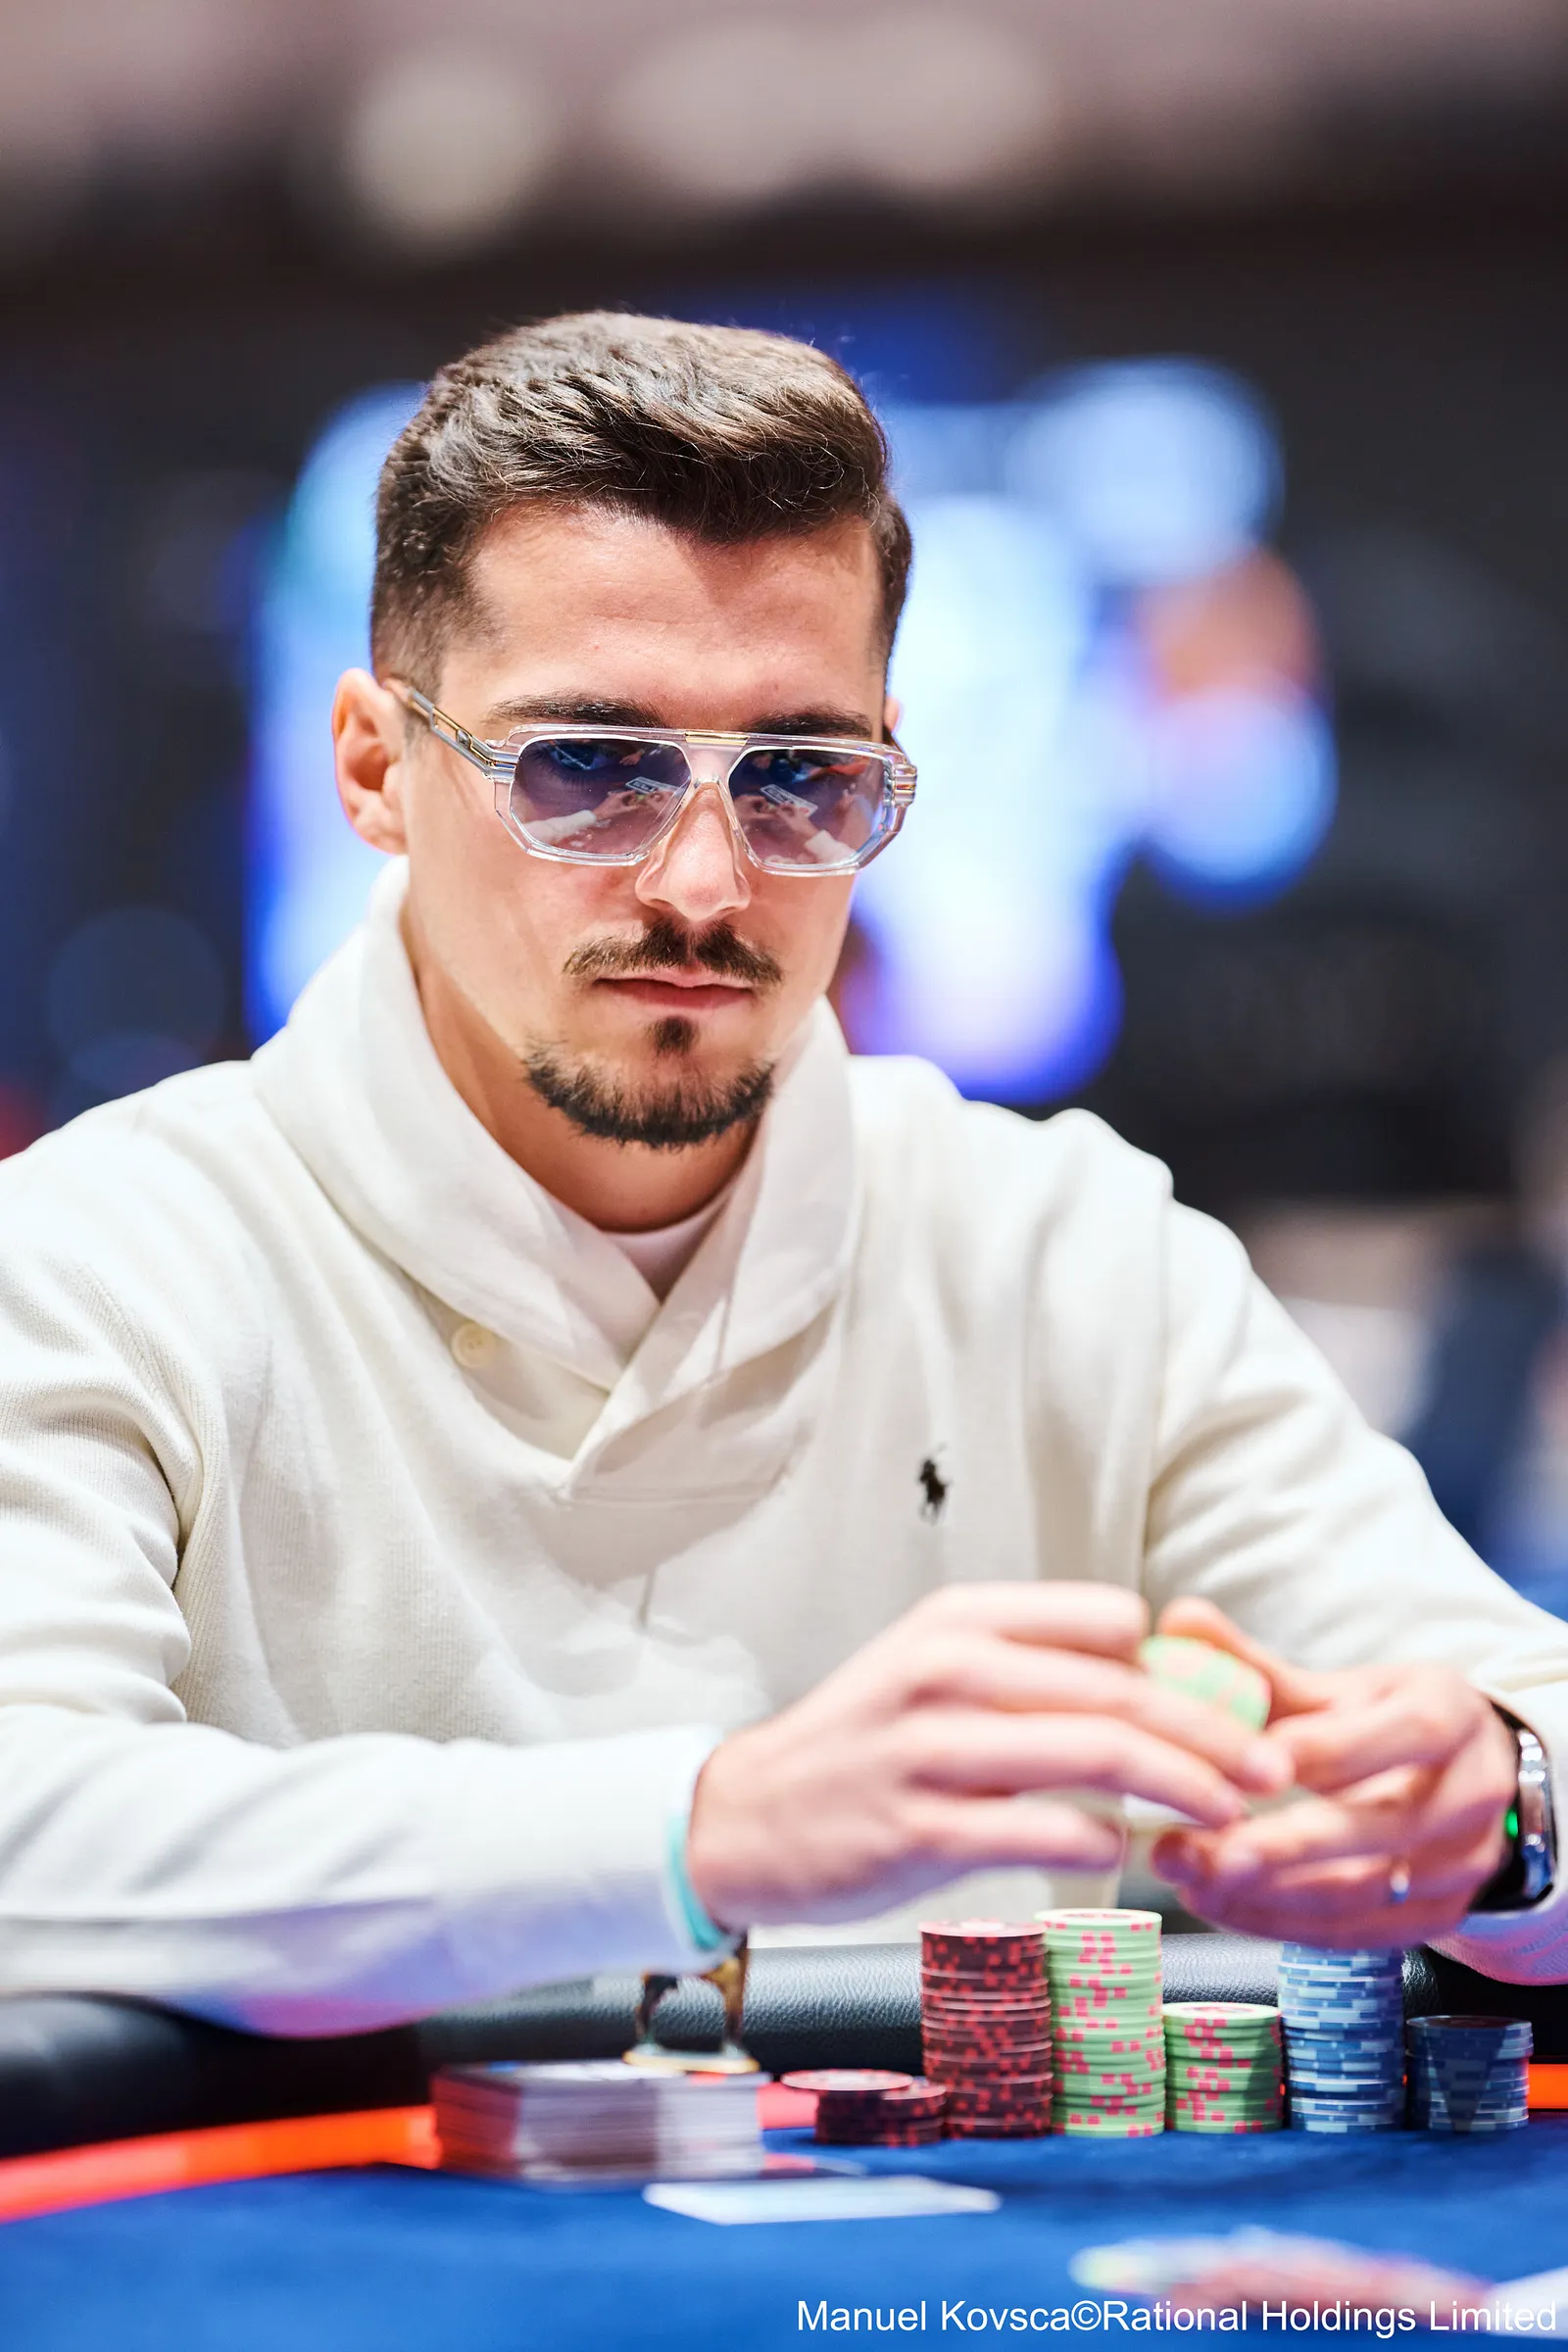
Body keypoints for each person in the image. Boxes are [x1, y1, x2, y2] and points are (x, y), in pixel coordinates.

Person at [0, 313, 1563, 2039]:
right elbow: (25, 1826)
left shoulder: (1058, 1252)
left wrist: (1500, 1810)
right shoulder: (102, 1261)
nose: (704, 882)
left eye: (801, 779)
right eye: (588, 768)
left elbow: (1518, 1724)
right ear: (376, 766)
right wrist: (705, 1827)